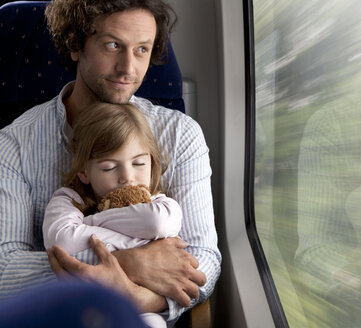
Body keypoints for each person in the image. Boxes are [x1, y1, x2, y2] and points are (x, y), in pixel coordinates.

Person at [0, 0, 221, 326]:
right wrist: (130, 263)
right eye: (113, 45)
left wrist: (138, 299)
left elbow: (205, 260)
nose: (128, 68)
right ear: (76, 45)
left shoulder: (180, 135)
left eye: (142, 49)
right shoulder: (13, 144)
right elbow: (5, 270)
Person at [43, 102, 183, 328]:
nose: (127, 177)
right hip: (82, 308)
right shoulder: (69, 200)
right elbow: (63, 241)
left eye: (139, 163)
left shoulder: (156, 202)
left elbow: (158, 223)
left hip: (141, 308)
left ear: (151, 161)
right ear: (84, 171)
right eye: (109, 167)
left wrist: (92, 222)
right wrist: (138, 248)